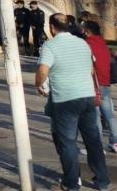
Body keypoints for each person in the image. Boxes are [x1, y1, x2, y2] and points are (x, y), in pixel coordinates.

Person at [35, 14, 110, 191]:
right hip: (87, 97)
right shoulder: (83, 43)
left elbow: (43, 70)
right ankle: (102, 181)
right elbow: (92, 69)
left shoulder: (50, 45)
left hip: (65, 99)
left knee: (68, 143)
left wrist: (39, 84)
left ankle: (72, 182)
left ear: (52, 27)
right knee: (93, 140)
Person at [84, 21, 117, 153]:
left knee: (95, 116)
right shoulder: (102, 43)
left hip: (94, 84)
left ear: (87, 31)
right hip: (105, 83)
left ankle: (98, 145)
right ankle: (115, 142)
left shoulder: (87, 44)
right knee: (109, 114)